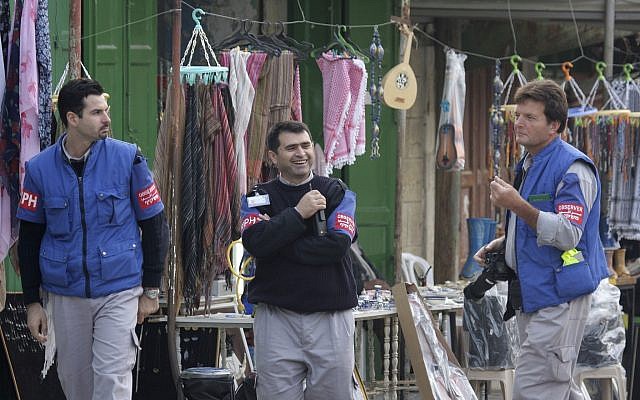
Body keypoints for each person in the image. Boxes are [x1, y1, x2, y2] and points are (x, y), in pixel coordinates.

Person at [17, 78, 169, 400]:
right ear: (73, 118)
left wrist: (151, 289)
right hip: (65, 293)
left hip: (119, 289)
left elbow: (156, 226)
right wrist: (32, 301)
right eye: (97, 112)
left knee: (112, 380)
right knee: (76, 383)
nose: (107, 118)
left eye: (106, 110)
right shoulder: (39, 169)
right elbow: (29, 239)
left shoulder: (128, 159)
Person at [474, 79, 609, 400]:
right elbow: (536, 222)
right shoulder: (531, 161)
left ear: (555, 125)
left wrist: (516, 205)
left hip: (559, 296)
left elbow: (567, 233)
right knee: (553, 387)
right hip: (536, 294)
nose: (519, 123)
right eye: (518, 115)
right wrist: (506, 244)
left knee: (534, 389)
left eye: (530, 117)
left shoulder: (573, 168)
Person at [240, 120, 358, 400]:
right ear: (273, 156)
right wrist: (298, 213)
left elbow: (336, 246)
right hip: (277, 319)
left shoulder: (336, 192)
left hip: (331, 318)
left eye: (305, 145)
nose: (301, 153)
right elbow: (254, 241)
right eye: (291, 148)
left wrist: (277, 238)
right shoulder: (258, 197)